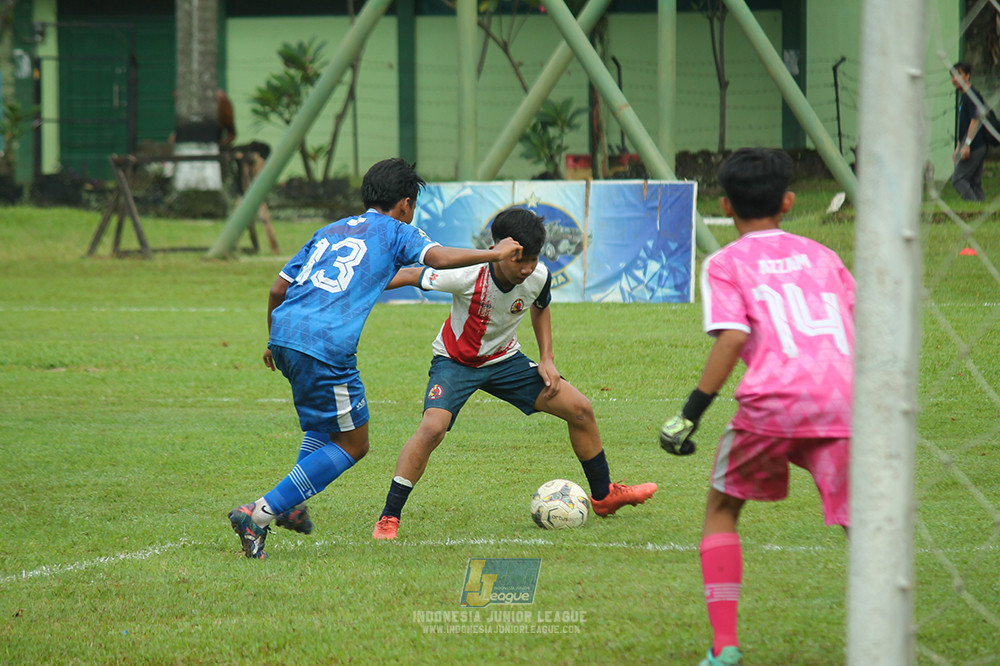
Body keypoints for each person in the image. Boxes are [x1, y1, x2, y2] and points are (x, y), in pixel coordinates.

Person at [227, 158, 524, 559]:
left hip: (285, 334)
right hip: (326, 346)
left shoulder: (328, 231)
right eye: (413, 204)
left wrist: (271, 340)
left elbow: (278, 288)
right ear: (405, 203)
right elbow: (436, 258)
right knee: (353, 443)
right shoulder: (398, 231)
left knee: (322, 422)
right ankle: (259, 514)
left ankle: (293, 506)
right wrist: (494, 254)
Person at [658, 148, 855, 666]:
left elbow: (732, 337)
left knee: (723, 509)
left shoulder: (725, 263)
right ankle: (885, 633)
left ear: (726, 203)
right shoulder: (824, 256)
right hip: (842, 403)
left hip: (772, 404)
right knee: (866, 524)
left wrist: (690, 414)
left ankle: (725, 648)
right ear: (789, 201)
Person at [371, 207, 658, 541]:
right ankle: (389, 517)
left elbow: (540, 304)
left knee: (580, 409)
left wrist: (547, 359)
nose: (526, 269)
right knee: (432, 428)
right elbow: (407, 275)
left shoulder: (538, 276)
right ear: (498, 250)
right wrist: (354, 288)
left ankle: (604, 496)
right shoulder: (465, 274)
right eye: (518, 260)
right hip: (455, 362)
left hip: (506, 362)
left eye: (532, 259)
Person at [951, 62, 988, 202]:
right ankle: (982, 209)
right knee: (974, 182)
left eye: (958, 75)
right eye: (953, 76)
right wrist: (958, 146)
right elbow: (964, 124)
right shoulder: (965, 96)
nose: (955, 79)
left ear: (967, 76)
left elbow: (975, 120)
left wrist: (966, 144)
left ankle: (974, 207)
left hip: (975, 145)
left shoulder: (972, 95)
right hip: (972, 144)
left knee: (958, 180)